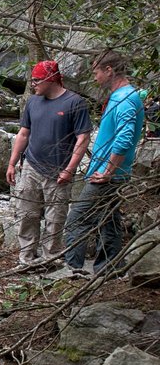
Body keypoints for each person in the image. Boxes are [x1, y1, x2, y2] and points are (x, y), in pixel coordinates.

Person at [64, 50, 145, 275]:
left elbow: (125, 138)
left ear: (109, 70)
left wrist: (108, 171)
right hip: (109, 172)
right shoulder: (124, 96)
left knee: (76, 220)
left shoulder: (126, 99)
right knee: (108, 220)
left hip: (107, 175)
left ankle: (73, 270)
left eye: (96, 72)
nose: (94, 77)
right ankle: (110, 268)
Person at [6, 60, 92, 268]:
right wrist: (12, 163)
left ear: (50, 79)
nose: (32, 84)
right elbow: (24, 133)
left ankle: (49, 260)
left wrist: (70, 170)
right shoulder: (33, 102)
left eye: (36, 80)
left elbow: (83, 139)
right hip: (31, 166)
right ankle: (26, 259)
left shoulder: (74, 103)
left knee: (55, 220)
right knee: (26, 214)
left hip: (58, 171)